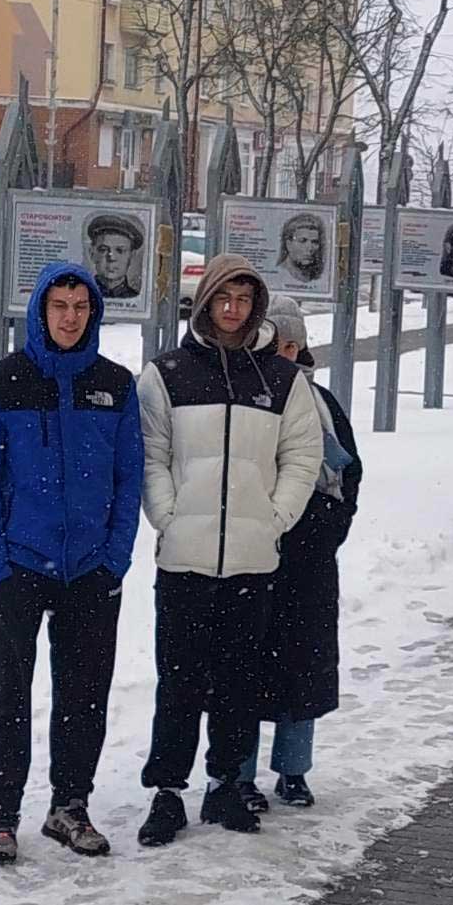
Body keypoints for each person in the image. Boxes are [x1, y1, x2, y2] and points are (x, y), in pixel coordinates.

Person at [134, 254, 323, 846]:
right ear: (207, 301)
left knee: (240, 679)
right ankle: (168, 790)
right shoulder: (166, 374)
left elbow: (301, 457)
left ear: (256, 306)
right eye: (224, 297)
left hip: (251, 556)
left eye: (244, 298)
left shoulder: (281, 381)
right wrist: (167, 515)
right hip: (184, 557)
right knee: (180, 680)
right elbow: (151, 456)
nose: (233, 309)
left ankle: (225, 784)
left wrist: (275, 518)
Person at [0, 262, 144, 865]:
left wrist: (115, 559)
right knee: (6, 692)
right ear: (41, 311)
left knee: (84, 691)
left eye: (80, 307)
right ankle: (2, 812)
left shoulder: (115, 387)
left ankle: (69, 805)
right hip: (20, 564)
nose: (70, 317)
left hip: (90, 567)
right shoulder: (2, 383)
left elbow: (129, 478)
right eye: (59, 306)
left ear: (93, 314)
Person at [239, 297, 361, 812]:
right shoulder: (243, 396)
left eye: (294, 344)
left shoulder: (322, 403)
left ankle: (293, 769)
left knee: (301, 665)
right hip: (251, 550)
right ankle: (236, 772)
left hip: (308, 559)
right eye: (278, 343)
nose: (286, 354)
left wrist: (329, 527)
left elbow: (348, 473)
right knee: (241, 666)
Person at [86, 213, 144, 299]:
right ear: (92, 254)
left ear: (131, 256)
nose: (111, 257)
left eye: (120, 251)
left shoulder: (134, 296)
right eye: (103, 249)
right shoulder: (83, 294)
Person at [278, 212, 325, 284]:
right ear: (289, 245)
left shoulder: (314, 275)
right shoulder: (279, 273)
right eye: (302, 241)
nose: (310, 248)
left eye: (314, 242)